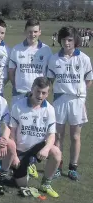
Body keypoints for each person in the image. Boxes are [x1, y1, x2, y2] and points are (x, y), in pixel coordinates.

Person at [8, 19, 53, 179]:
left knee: (36, 131)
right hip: (20, 95)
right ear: (25, 31)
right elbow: (11, 72)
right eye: (29, 31)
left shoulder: (46, 50)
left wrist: (41, 92)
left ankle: (31, 163)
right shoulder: (17, 49)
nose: (32, 34)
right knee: (18, 132)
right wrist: (16, 87)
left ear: (40, 32)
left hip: (38, 98)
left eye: (35, 31)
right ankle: (16, 159)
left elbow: (48, 75)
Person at [46, 26, 92, 181]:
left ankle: (73, 167)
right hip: (60, 100)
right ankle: (58, 166)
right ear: (61, 40)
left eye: (70, 40)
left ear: (75, 40)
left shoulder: (84, 58)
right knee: (58, 135)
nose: (67, 43)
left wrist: (81, 96)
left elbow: (88, 80)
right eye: (64, 39)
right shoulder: (54, 58)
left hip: (77, 101)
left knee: (75, 136)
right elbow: (49, 81)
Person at [8, 77, 61, 198]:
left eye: (44, 93)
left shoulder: (50, 110)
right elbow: (12, 134)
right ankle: (23, 167)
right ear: (32, 89)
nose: (40, 95)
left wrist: (47, 148)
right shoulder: (18, 106)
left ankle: (46, 184)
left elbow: (51, 135)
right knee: (22, 185)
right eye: (38, 91)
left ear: (48, 93)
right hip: (21, 151)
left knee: (56, 152)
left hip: (38, 149)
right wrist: (15, 156)